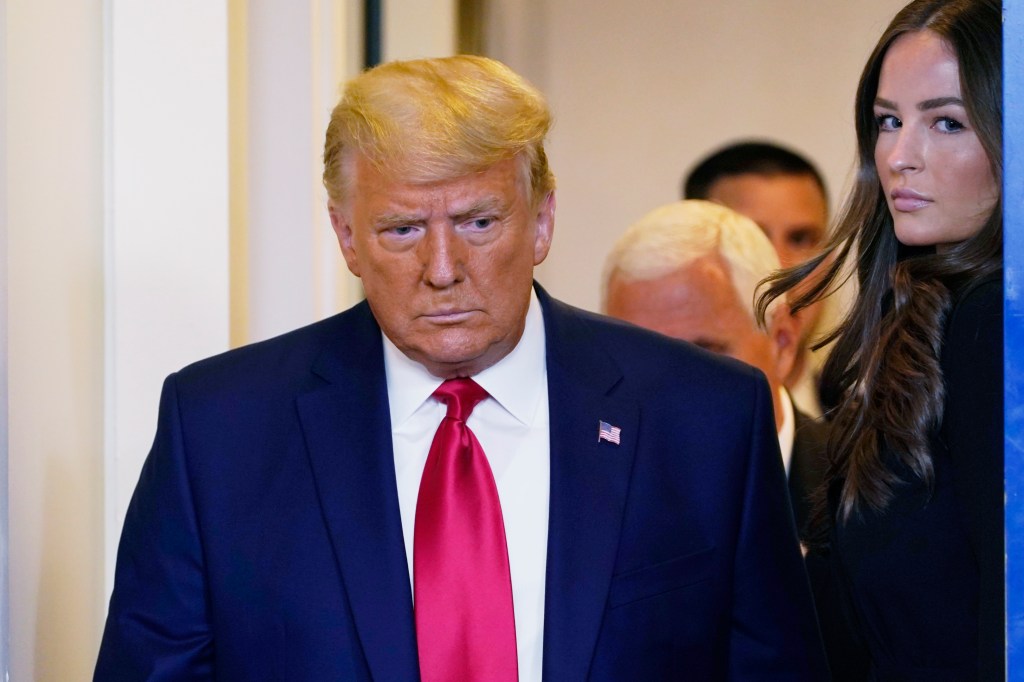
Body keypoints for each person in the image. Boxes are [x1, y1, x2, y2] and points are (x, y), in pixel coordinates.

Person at [94, 56, 827, 680]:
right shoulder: (222, 430)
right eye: (402, 229)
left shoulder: (702, 417)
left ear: (540, 220)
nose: (441, 269)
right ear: (346, 236)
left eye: (478, 222)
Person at [757, 0, 1003, 679]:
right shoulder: (919, 321)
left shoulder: (991, 325)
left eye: (946, 122)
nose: (899, 156)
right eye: (888, 121)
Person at [603, 200, 827, 542]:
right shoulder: (587, 500)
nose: (665, 395)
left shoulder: (877, 495)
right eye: (638, 362)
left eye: (700, 359)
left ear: (781, 343)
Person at [683, 141, 830, 417]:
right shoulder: (633, 422)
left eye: (800, 239)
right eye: (751, 238)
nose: (778, 267)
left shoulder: (885, 436)